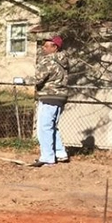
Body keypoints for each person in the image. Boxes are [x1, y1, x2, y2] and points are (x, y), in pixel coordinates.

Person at [30, 35, 70, 167]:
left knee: (44, 128)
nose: (44, 48)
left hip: (49, 97)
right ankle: (60, 153)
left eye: (47, 46)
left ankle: (47, 157)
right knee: (52, 126)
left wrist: (25, 81)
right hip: (61, 97)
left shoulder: (49, 60)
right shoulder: (63, 61)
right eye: (44, 45)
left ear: (55, 47)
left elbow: (38, 78)